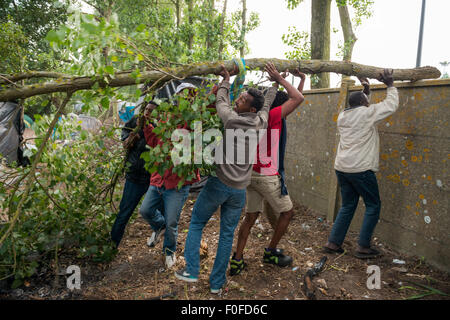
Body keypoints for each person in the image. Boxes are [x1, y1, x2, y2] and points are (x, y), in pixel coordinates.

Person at [174, 63, 280, 294]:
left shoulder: (231, 120)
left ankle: (191, 270)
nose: (237, 101)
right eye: (239, 98)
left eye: (241, 100)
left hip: (219, 185)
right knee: (226, 235)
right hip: (239, 191)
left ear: (250, 109)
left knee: (197, 223)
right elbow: (268, 103)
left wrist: (225, 79)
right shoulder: (260, 121)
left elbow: (221, 101)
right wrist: (275, 82)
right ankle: (216, 284)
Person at [230, 67, 305, 275]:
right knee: (287, 213)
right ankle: (271, 251)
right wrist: (280, 78)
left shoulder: (245, 117)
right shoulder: (272, 116)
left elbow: (293, 99)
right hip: (266, 175)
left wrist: (281, 82)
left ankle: (237, 260)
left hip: (249, 174)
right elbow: (297, 99)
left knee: (250, 217)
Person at [323, 69, 399, 259]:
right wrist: (390, 85)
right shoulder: (367, 114)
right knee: (373, 205)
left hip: (342, 168)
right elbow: (390, 105)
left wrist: (366, 89)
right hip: (360, 169)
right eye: (367, 101)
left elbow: (360, 105)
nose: (368, 104)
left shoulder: (343, 116)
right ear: (364, 104)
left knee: (348, 205)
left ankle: (333, 243)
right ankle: (364, 246)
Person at [139, 83, 200, 269]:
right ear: (177, 97)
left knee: (172, 220)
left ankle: (169, 251)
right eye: (183, 94)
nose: (187, 98)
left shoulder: (196, 120)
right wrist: (147, 124)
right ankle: (159, 226)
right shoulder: (167, 117)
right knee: (145, 210)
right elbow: (155, 140)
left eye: (190, 95)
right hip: (159, 177)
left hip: (178, 183)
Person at [110, 102, 158, 248]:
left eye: (152, 111)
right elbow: (125, 143)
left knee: (159, 212)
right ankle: (112, 246)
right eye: (147, 110)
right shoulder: (134, 122)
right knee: (124, 212)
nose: (148, 113)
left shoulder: (159, 127)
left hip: (153, 178)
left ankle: (162, 241)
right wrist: (132, 138)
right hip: (135, 177)